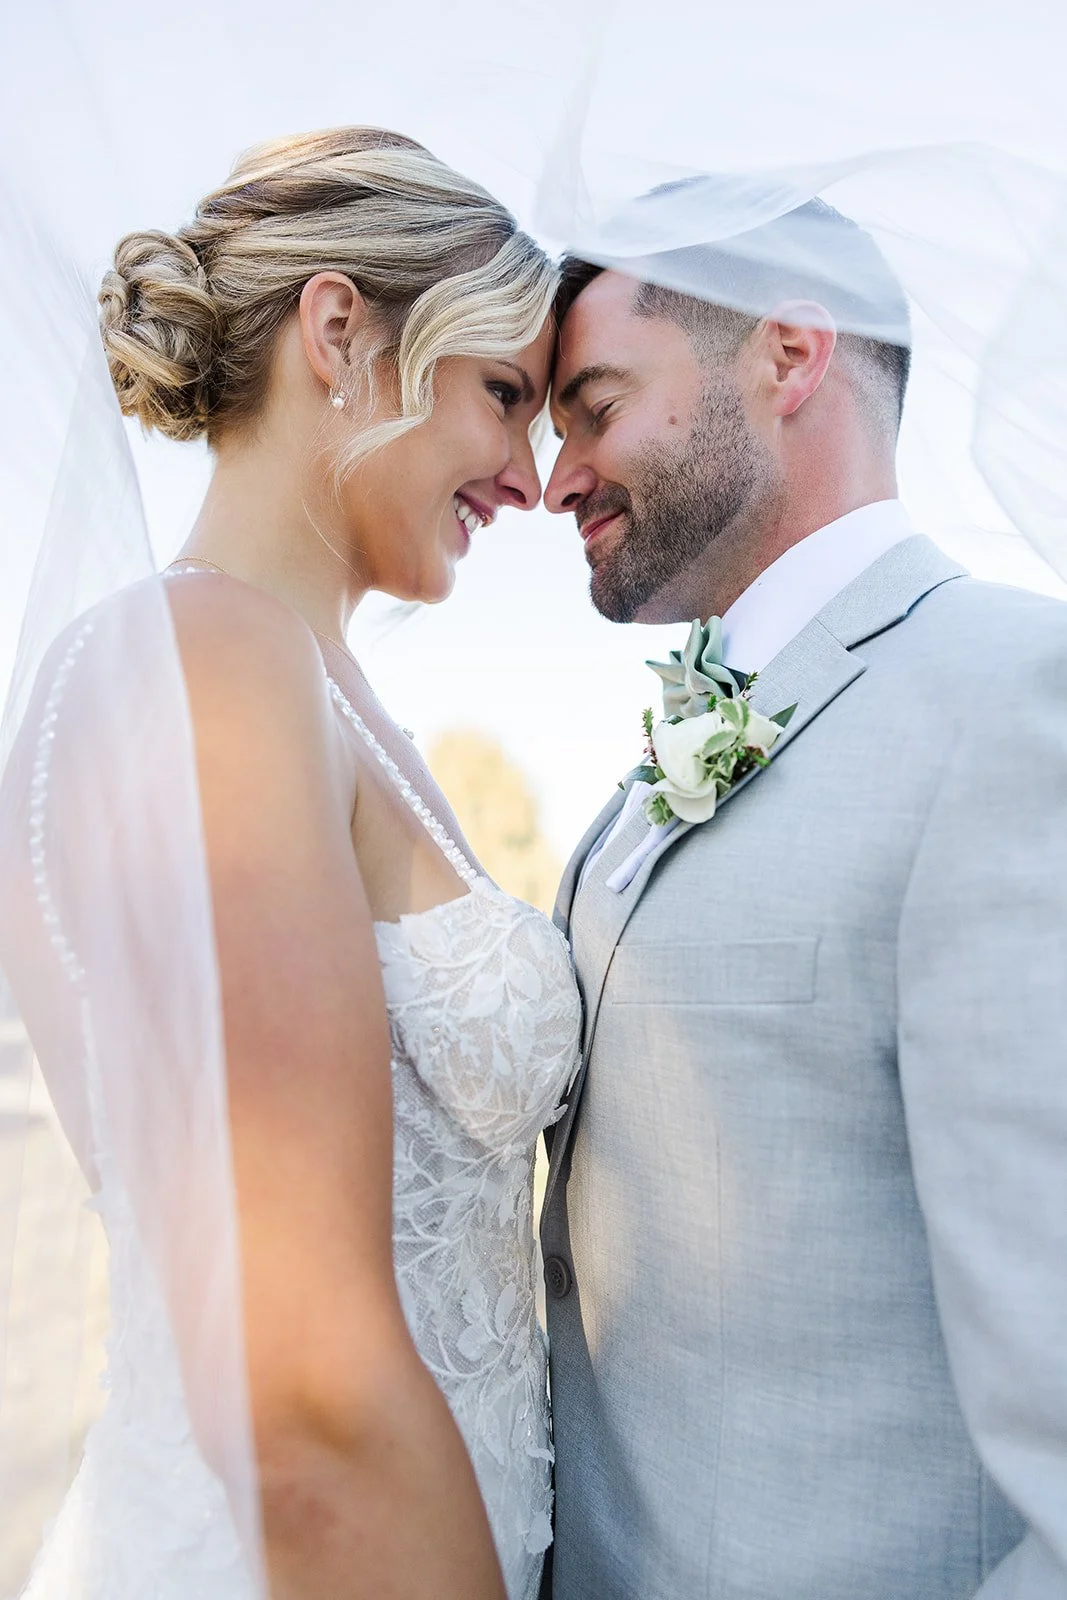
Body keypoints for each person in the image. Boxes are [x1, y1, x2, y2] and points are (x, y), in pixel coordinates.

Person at [0, 126, 580, 1600]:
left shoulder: (314, 691)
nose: (528, 475)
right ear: (341, 333)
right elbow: (303, 1393)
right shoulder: (205, 666)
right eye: (502, 395)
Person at [540, 198, 1067, 1599]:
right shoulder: (642, 779)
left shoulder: (1014, 700)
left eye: (592, 407)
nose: (555, 476)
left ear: (785, 357)